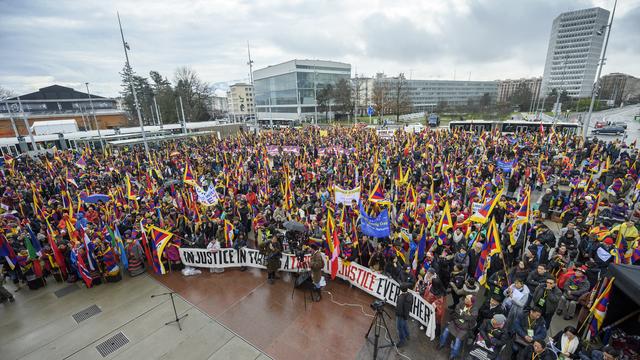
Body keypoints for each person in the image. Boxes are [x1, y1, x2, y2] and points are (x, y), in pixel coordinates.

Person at [439, 294, 478, 359]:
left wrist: (461, 313)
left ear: (471, 302)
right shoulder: (462, 303)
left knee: (457, 341)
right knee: (445, 331)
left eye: (467, 299)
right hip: (455, 323)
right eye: (466, 298)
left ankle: (453, 355)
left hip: (464, 328)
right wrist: (465, 315)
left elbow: (470, 318)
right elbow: (456, 309)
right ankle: (441, 344)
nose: (465, 299)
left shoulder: (475, 310)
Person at [395, 283, 413, 347]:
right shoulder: (410, 295)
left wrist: (397, 314)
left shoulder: (401, 298)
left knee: (400, 328)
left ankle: (402, 340)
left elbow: (399, 308)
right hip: (406, 315)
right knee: (405, 325)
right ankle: (407, 335)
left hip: (401, 316)